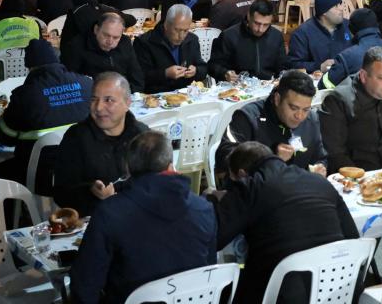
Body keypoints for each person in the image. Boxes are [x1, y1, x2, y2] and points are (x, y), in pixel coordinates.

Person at [70, 131, 216, 304]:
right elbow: (209, 271)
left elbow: (84, 285)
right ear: (171, 166)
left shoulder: (110, 213)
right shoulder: (204, 209)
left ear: (128, 168)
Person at [210, 142, 359, 303]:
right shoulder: (320, 182)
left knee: (223, 291)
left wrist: (213, 200)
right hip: (339, 288)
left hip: (282, 293)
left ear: (241, 174)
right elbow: (353, 236)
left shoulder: (251, 187)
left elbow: (215, 238)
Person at [0, 39, 93, 189]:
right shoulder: (87, 84)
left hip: (41, 174)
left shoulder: (25, 95)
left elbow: (4, 136)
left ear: (30, 67)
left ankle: (23, 205)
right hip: (84, 170)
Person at [53, 72, 149, 217]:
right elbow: (61, 193)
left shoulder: (142, 136)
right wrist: (90, 191)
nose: (98, 107)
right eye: (94, 99)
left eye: (108, 100)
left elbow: (155, 183)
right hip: (93, 218)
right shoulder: (77, 138)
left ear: (127, 103)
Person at [319, 46, 382, 173]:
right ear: (363, 76)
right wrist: (362, 179)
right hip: (356, 175)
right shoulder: (338, 101)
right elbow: (336, 153)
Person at [216, 70, 327, 176]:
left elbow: (320, 157)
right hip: (255, 187)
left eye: (306, 109)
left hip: (299, 186)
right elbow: (224, 164)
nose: (300, 116)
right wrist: (269, 158)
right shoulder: (248, 117)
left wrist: (320, 167)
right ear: (277, 99)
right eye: (293, 108)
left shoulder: (311, 119)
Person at [321, 8, 382, 88]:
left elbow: (325, 86)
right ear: (377, 26)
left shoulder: (347, 58)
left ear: (352, 30)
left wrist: (331, 68)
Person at [61, 12, 144, 92]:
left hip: (123, 94)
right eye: (106, 35)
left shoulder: (125, 42)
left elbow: (137, 78)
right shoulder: (76, 46)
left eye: (116, 37)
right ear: (96, 29)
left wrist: (130, 94)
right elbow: (68, 83)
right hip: (91, 95)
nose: (110, 41)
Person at [208, 0, 287, 82]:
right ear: (249, 16)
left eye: (266, 25)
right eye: (257, 23)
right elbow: (212, 66)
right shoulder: (229, 36)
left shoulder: (276, 36)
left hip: (268, 85)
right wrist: (224, 73)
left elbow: (282, 66)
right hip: (237, 85)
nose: (260, 29)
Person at [133, 4, 207, 93]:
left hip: (185, 94)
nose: (181, 36)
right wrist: (165, 74)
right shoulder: (144, 42)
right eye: (177, 30)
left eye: (185, 30)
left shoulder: (192, 39)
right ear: (166, 25)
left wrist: (196, 71)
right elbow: (139, 77)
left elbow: (203, 69)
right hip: (156, 95)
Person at [287, 0, 352, 75]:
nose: (341, 8)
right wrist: (319, 67)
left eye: (340, 4)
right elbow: (294, 64)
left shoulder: (349, 26)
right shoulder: (303, 33)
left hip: (348, 76)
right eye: (336, 6)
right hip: (317, 79)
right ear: (324, 12)